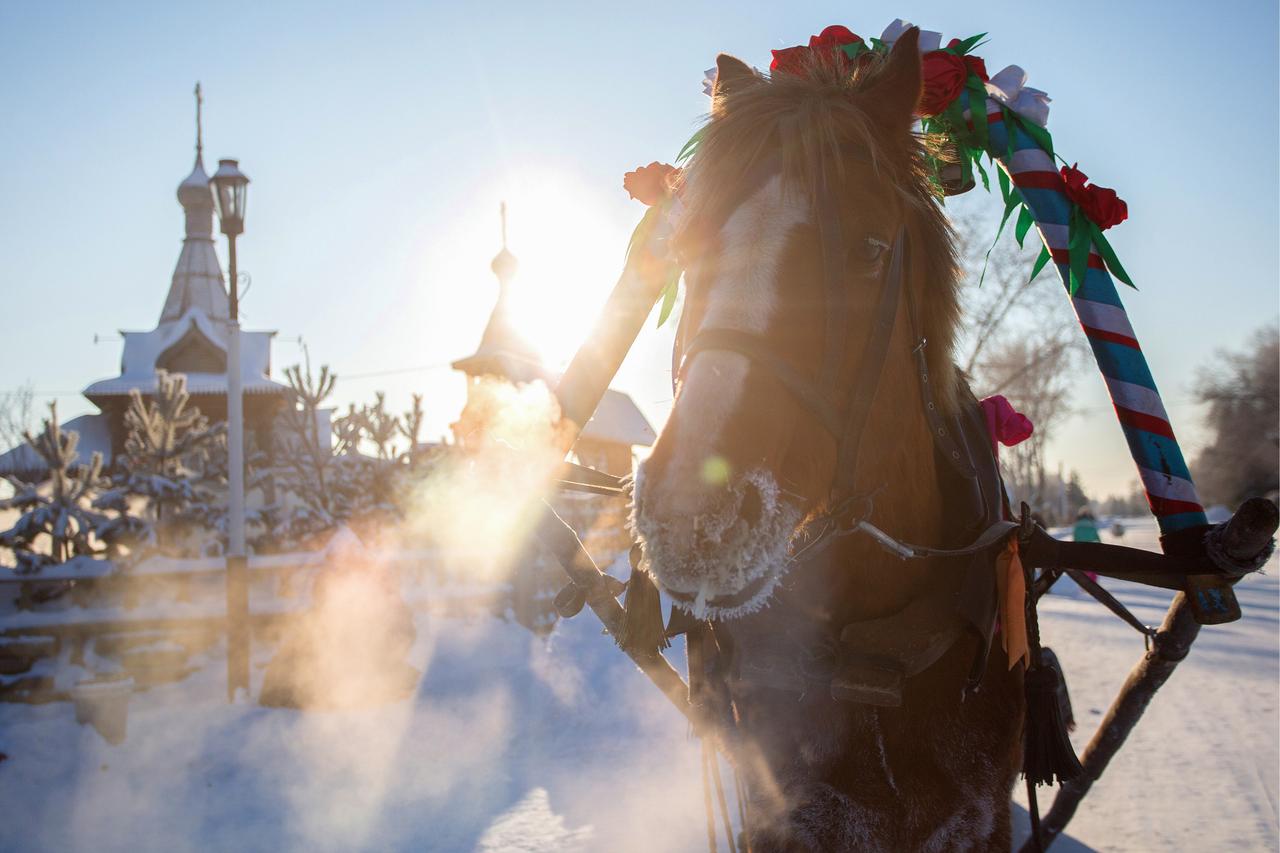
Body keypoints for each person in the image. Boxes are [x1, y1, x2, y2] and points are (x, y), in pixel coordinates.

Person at [1073, 508, 1101, 582]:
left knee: (1082, 566)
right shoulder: (1091, 524)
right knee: (1092, 566)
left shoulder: (1077, 525)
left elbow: (1075, 538)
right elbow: (1096, 537)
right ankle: (1092, 583)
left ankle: (1084, 583)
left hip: (1080, 550)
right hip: (1090, 550)